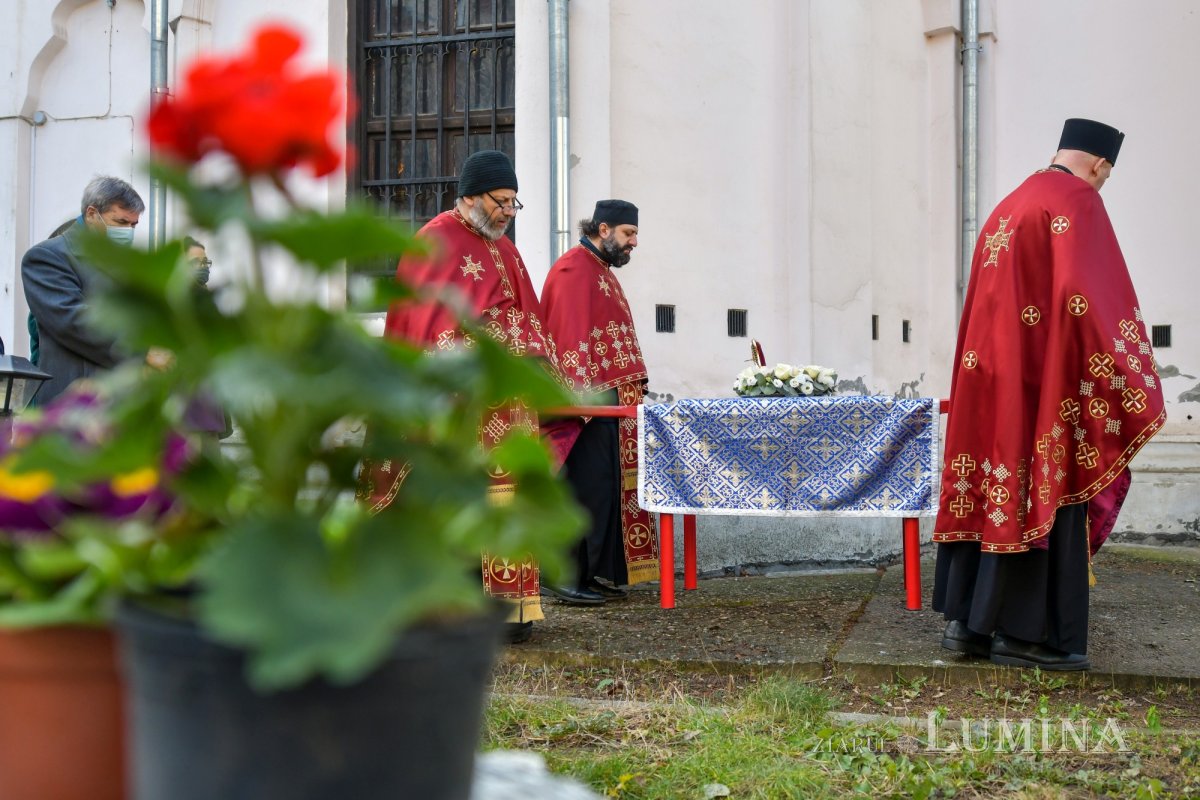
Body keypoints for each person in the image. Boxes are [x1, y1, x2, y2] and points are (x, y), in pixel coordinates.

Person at [932, 118, 1166, 671]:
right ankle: (1026, 637)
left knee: (992, 489)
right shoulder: (1077, 201)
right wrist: (1132, 377)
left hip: (991, 386)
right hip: (1044, 390)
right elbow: (1091, 300)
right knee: (1046, 491)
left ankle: (969, 625)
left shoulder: (1010, 203)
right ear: (1102, 165)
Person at [358, 149, 581, 639]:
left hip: (508, 406)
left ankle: (509, 611)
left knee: (507, 500)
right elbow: (431, 326)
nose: (508, 211)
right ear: (471, 196)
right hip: (457, 408)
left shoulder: (506, 249)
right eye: (501, 201)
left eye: (514, 204)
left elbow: (530, 320)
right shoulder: (435, 241)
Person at [539, 200, 660, 605]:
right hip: (584, 405)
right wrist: (578, 401)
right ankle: (563, 574)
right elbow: (567, 335)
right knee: (583, 489)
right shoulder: (574, 269)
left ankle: (591, 573)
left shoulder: (600, 271)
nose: (634, 243)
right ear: (603, 228)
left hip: (611, 403)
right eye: (628, 234)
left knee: (605, 488)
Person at [21, 177, 144, 406]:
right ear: (91, 214)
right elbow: (74, 321)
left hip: (123, 403)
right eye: (121, 222)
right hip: (74, 405)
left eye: (133, 225)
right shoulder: (46, 258)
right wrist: (143, 352)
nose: (128, 231)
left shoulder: (125, 263)